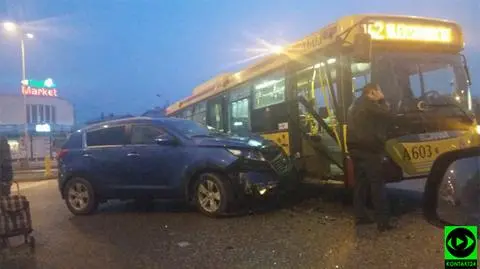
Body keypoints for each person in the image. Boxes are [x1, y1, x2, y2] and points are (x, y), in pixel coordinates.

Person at [347, 83, 396, 232]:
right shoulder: (369, 105)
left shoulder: (353, 106)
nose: (381, 93)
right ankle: (383, 221)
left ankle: (360, 216)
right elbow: (388, 113)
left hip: (355, 150)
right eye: (379, 90)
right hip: (370, 150)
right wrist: (381, 100)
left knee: (361, 184)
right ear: (372, 92)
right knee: (377, 185)